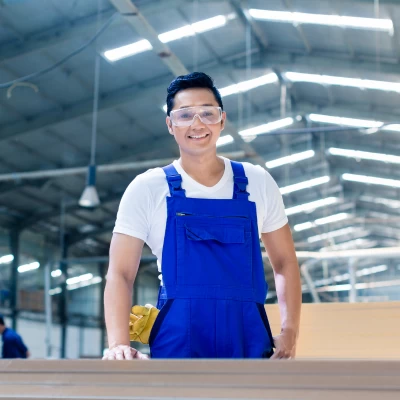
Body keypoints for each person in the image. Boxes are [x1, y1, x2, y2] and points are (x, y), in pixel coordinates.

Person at [103, 72, 301, 360]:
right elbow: (120, 273)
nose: (197, 124)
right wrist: (118, 343)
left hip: (248, 337)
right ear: (170, 124)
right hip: (178, 338)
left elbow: (285, 263)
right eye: (185, 115)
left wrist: (290, 332)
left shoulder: (258, 182)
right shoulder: (147, 188)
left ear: (222, 119)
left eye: (207, 113)